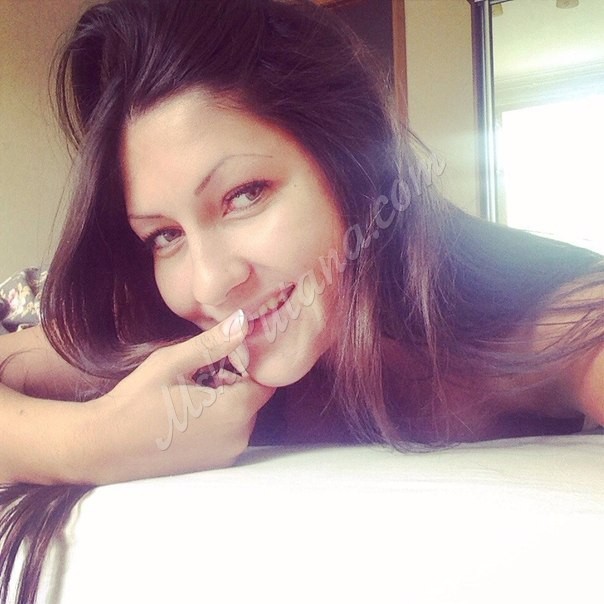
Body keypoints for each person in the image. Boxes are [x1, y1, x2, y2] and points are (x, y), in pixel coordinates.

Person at [0, 0, 602, 601]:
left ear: (350, 164)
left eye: (244, 195)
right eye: (165, 236)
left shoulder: (547, 323)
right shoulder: (178, 344)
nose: (209, 285)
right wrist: (94, 441)